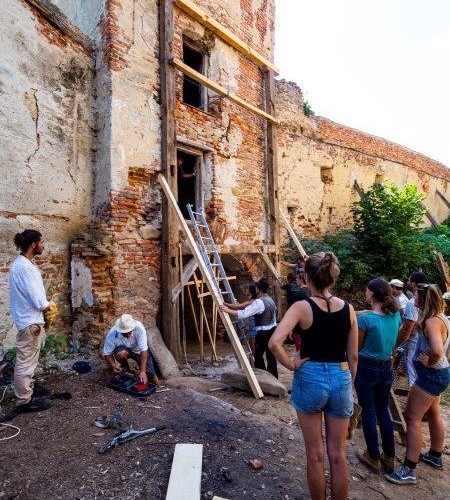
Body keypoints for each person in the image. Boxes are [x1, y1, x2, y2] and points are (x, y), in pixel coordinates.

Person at [269, 252, 358, 500]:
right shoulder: (349, 309)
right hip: (341, 376)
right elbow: (353, 356)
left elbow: (275, 343)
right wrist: (350, 384)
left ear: (307, 278)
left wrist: (291, 365)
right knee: (338, 455)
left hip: (310, 376)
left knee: (315, 455)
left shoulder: (302, 307)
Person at [386, 285, 449, 485]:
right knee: (434, 413)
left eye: (415, 296)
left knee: (412, 418)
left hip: (431, 375)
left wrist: (429, 362)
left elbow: (437, 350)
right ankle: (435, 455)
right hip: (440, 374)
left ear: (423, 300)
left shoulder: (431, 321)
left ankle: (409, 470)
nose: (413, 299)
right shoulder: (441, 317)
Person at [355, 278, 402, 474]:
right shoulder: (395, 316)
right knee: (383, 411)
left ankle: (373, 456)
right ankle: (389, 456)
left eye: (367, 290)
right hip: (386, 367)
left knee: (368, 411)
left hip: (367, 367)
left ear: (373, 294)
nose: (365, 293)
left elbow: (356, 348)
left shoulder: (365, 320)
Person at [9, 230, 54, 413]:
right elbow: (36, 298)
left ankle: (28, 389)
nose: (43, 245)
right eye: (41, 242)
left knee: (28, 359)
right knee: (26, 361)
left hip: (28, 319)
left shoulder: (25, 264)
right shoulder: (24, 267)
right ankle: (24, 400)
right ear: (33, 244)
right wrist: (48, 306)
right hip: (30, 320)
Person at [221, 278, 278, 378]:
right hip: (272, 330)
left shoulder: (259, 302)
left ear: (259, 289)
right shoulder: (270, 299)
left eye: (256, 287)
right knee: (271, 357)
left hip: (263, 332)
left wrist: (227, 310)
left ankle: (262, 379)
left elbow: (243, 314)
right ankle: (274, 378)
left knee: (258, 357)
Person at [103, 314, 160, 386]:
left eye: (129, 332)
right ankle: (124, 367)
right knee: (121, 354)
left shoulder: (139, 329)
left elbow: (144, 351)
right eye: (124, 333)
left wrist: (142, 371)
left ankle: (156, 383)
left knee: (150, 374)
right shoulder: (112, 334)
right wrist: (113, 365)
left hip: (138, 351)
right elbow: (107, 353)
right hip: (123, 350)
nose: (127, 335)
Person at [397, 272, 429, 387]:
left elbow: (407, 329)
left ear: (413, 283)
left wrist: (395, 346)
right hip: (425, 344)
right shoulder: (429, 300)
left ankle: (415, 397)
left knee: (413, 378)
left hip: (413, 345)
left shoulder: (412, 303)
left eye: (409, 280)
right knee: (421, 377)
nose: (407, 282)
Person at [223, 284, 258, 355]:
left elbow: (238, 307)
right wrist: (238, 305)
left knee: (252, 344)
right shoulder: (255, 301)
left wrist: (225, 304)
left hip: (254, 327)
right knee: (252, 343)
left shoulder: (251, 302)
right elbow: (243, 307)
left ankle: (254, 357)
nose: (246, 292)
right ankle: (254, 356)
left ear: (251, 293)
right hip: (255, 326)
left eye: (248, 293)